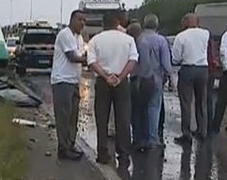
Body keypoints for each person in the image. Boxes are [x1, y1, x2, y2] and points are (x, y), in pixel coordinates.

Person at [87, 10, 138, 166]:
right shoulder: (128, 40)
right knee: (123, 117)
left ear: (103, 23)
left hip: (103, 82)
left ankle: (102, 153)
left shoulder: (95, 40)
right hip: (121, 82)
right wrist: (120, 77)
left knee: (101, 117)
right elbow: (132, 60)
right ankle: (123, 153)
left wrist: (105, 75)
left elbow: (91, 62)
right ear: (118, 23)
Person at [50, 10, 87, 161]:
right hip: (62, 81)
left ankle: (70, 145)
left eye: (84, 20)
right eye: (80, 19)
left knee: (73, 116)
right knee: (64, 116)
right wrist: (87, 60)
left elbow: (81, 55)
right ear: (72, 20)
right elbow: (72, 57)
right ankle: (63, 148)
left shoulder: (79, 38)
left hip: (73, 81)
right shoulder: (65, 34)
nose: (82, 23)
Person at [133, 15, 173, 151]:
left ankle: (140, 137)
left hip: (141, 78)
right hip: (156, 78)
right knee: (154, 108)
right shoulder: (161, 41)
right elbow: (166, 63)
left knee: (140, 109)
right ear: (156, 25)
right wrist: (169, 76)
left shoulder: (140, 39)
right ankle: (152, 138)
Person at [171, 13, 210, 145]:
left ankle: (186, 133)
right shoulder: (206, 33)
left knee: (186, 102)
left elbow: (175, 57)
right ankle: (202, 130)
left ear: (185, 22)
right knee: (201, 101)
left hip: (188, 68)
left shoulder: (181, 37)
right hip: (203, 69)